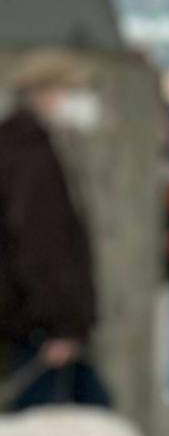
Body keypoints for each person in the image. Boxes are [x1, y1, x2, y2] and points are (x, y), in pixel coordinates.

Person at [0, 49, 110, 409]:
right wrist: (61, 326)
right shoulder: (31, 155)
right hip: (41, 326)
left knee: (98, 420)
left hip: (38, 320)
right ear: (46, 92)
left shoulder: (24, 145)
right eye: (75, 90)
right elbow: (41, 245)